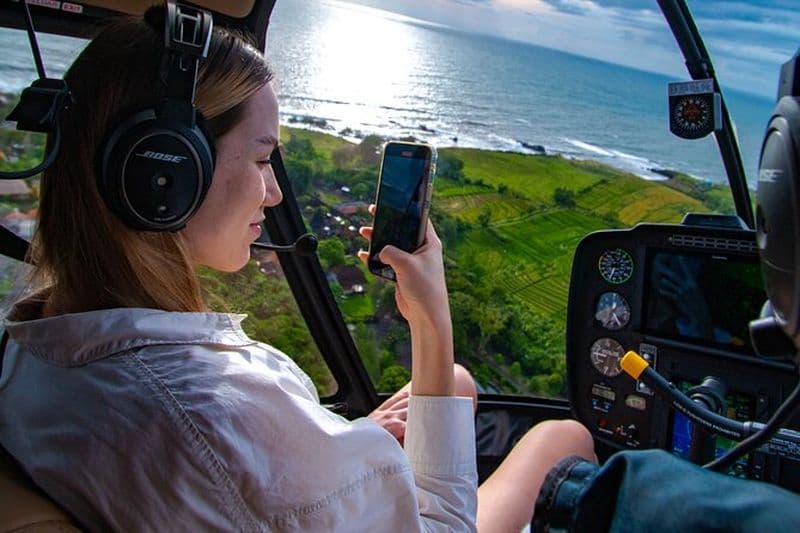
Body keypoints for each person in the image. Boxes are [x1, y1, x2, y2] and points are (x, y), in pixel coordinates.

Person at [0, 4, 594, 531]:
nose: (274, 193)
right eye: (261, 158)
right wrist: (432, 321)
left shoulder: (33, 339)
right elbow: (441, 522)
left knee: (456, 386)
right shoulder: (215, 416)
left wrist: (334, 448)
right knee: (560, 437)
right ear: (168, 172)